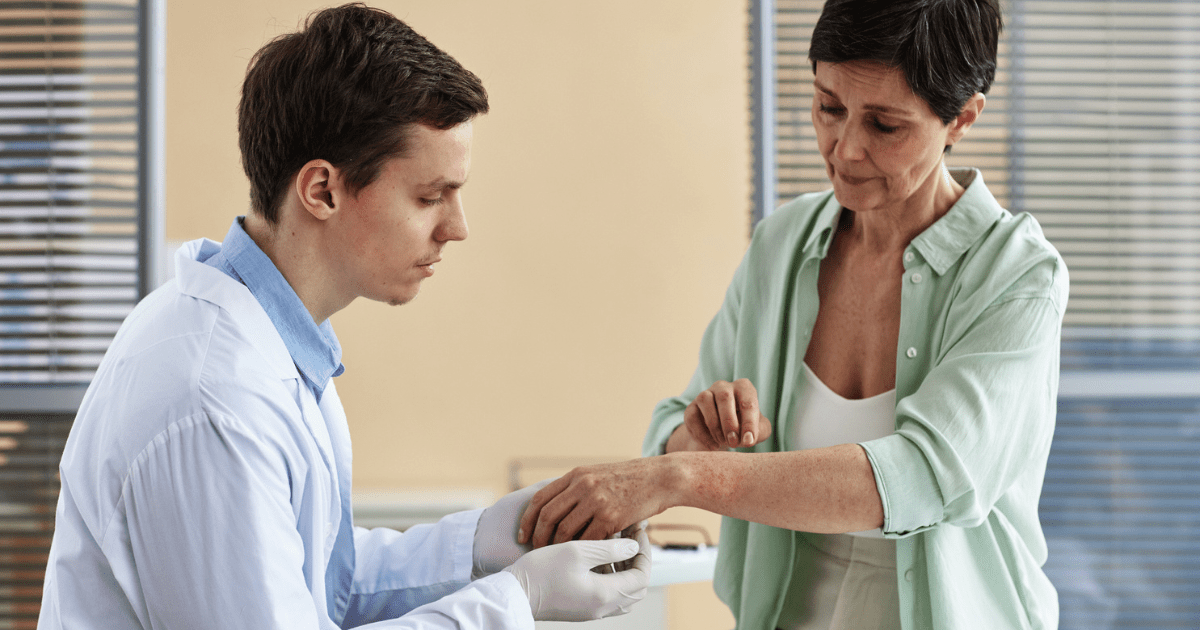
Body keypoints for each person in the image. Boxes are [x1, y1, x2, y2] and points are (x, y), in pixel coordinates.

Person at [37, 4, 649, 629]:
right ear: (322, 190)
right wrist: (516, 602)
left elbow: (323, 579)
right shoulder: (215, 398)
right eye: (429, 196)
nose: (458, 228)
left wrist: (494, 541)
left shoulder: (272, 340)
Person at [518, 1, 1065, 628]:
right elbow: (673, 431)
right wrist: (701, 435)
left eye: (885, 125)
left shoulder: (1018, 275)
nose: (846, 149)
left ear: (961, 119)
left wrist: (682, 476)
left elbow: (925, 477)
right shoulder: (781, 243)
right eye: (829, 107)